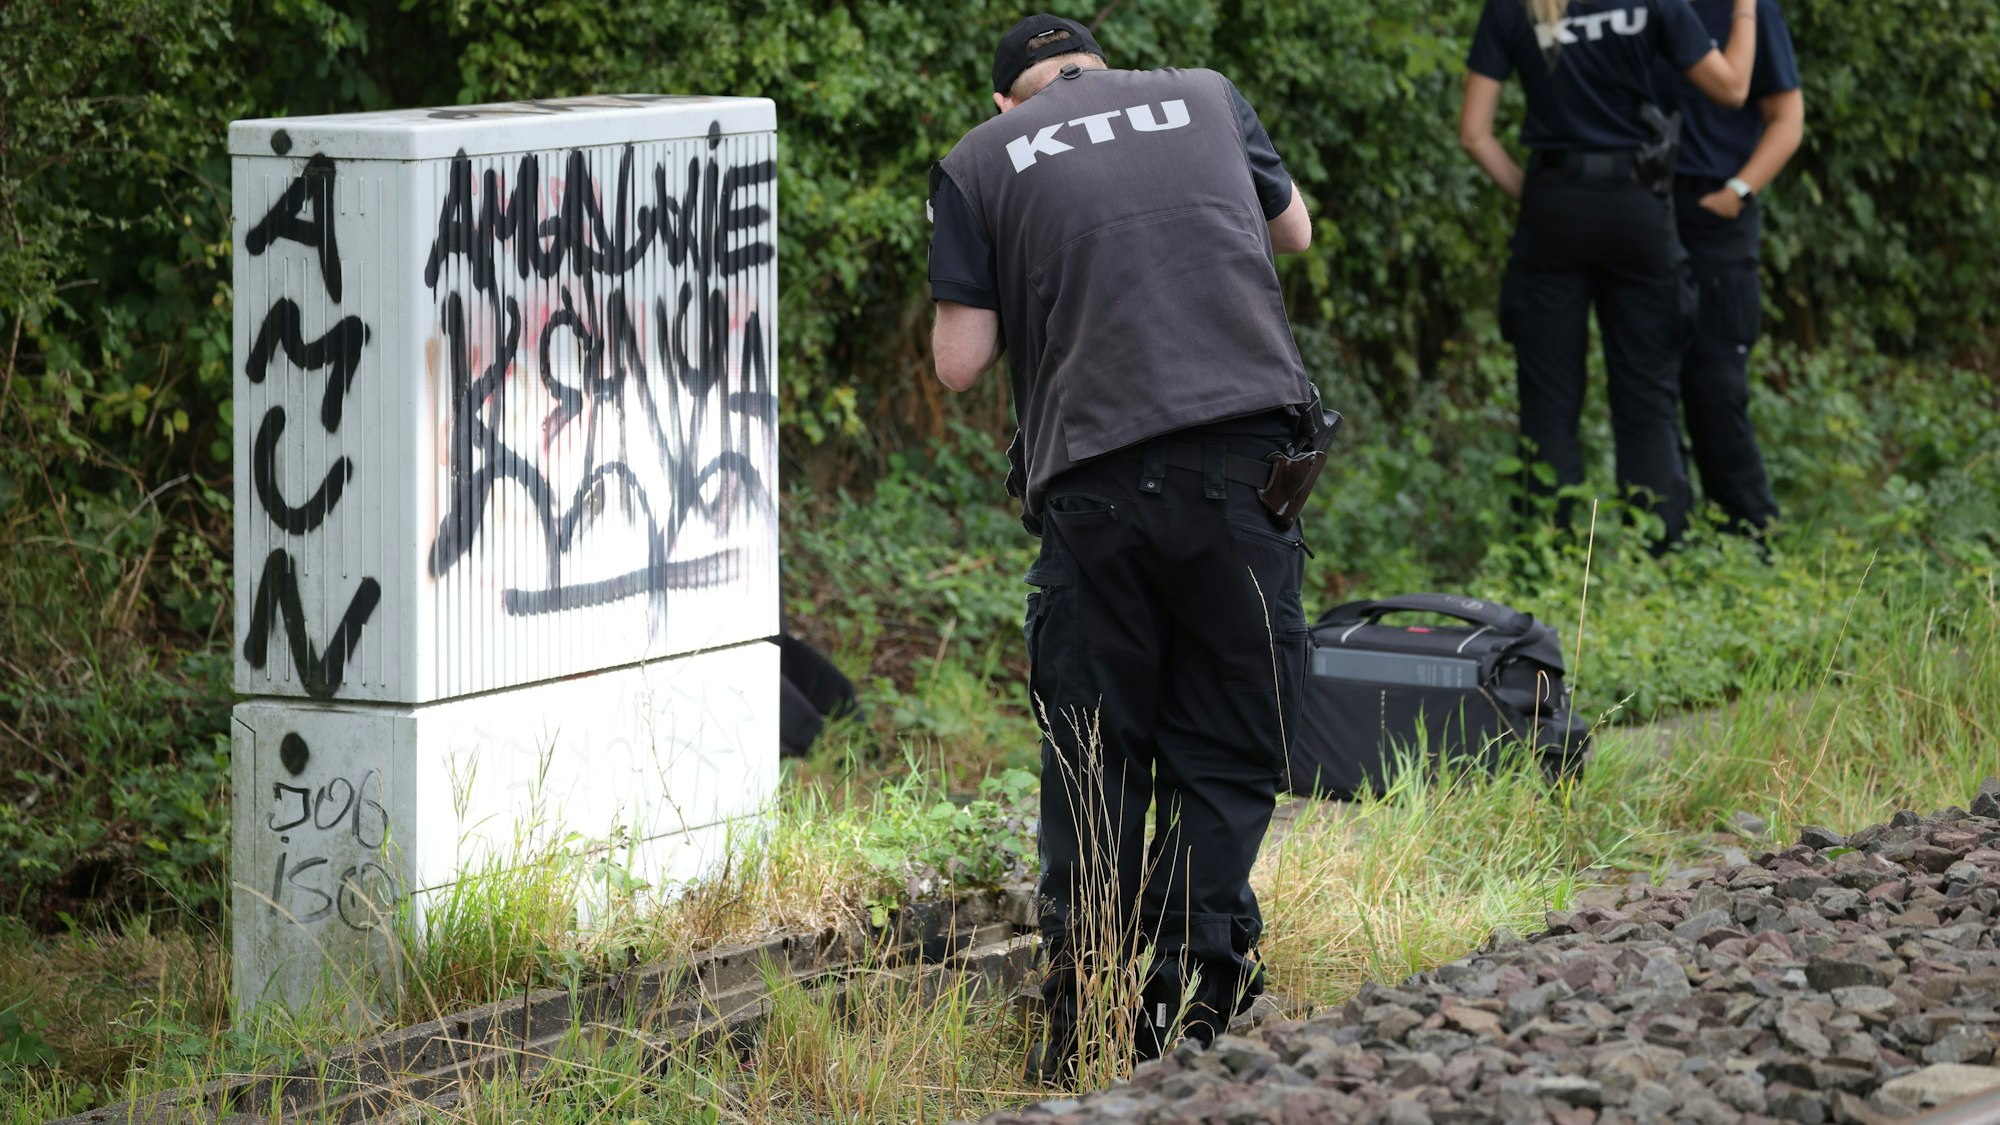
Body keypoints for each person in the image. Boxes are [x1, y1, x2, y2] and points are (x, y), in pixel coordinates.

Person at [925, 12, 1318, 1081]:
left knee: (1095, 754)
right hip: (1243, 470)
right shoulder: (1204, 93)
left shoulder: (978, 157)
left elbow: (960, 362)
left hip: (1091, 487)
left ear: (1008, 98)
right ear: (1100, 66)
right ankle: (1186, 1004)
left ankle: (1082, 1014)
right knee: (1231, 744)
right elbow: (1296, 236)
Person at [1458, 0, 1761, 551]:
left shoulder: (1513, 7)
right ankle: (1659, 551)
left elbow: (1474, 134)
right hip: (1635, 206)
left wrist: (1539, 197)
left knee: (1548, 399)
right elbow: (1735, 89)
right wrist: (1745, 10)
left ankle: (1550, 553)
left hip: (1552, 208)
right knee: (1646, 393)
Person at [1659, 0, 1801, 536]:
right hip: (1645, 211)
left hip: (1716, 212)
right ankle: (1668, 537)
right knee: (1653, 385)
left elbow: (1787, 118)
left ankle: (1750, 534)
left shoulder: (1748, 11)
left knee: (1716, 383)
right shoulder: (1640, 9)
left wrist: (1737, 192)